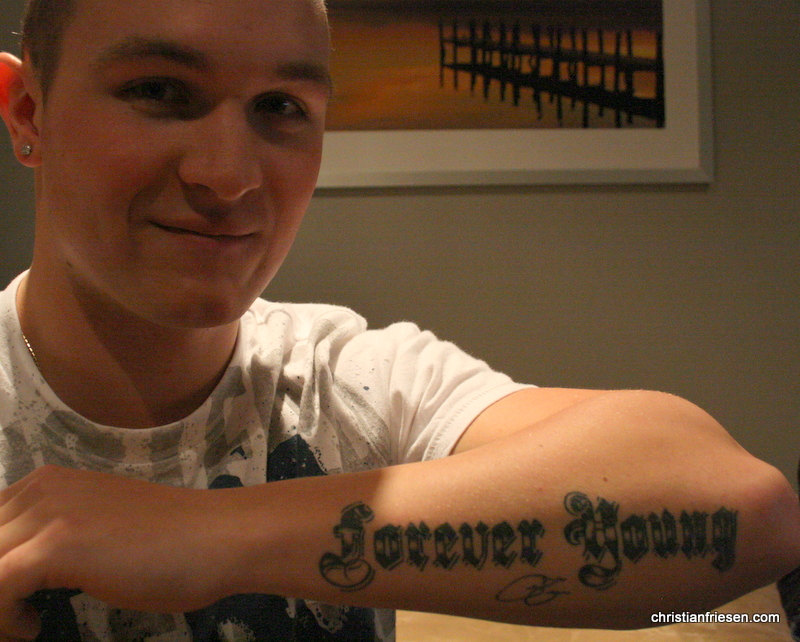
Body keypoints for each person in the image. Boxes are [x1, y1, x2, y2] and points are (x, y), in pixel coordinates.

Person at [0, 0, 798, 640]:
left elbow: (742, 508)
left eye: (281, 107)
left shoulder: (352, 382)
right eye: (159, 92)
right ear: (28, 111)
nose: (229, 175)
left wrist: (206, 534)